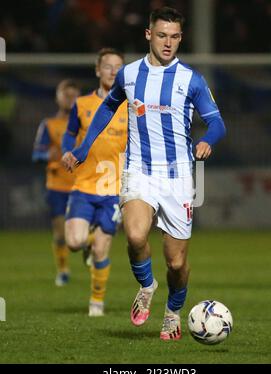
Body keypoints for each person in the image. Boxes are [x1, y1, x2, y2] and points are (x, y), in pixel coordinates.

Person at [62, 7, 226, 339]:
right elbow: (109, 105)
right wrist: (84, 148)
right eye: (162, 35)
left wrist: (208, 139)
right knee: (136, 236)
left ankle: (173, 312)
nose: (168, 43)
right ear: (149, 34)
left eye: (175, 36)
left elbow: (217, 122)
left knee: (177, 264)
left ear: (181, 38)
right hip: (139, 171)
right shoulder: (130, 74)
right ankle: (147, 286)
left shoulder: (191, 79)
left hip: (179, 177)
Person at [61, 48, 128, 317]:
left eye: (118, 66)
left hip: (114, 190)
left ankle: (96, 302)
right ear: (98, 70)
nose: (113, 71)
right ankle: (86, 244)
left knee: (102, 249)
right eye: (108, 66)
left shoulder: (131, 105)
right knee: (74, 242)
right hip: (84, 185)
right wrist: (68, 151)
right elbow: (70, 134)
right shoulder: (82, 104)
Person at [32, 79, 80, 286]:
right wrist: (47, 155)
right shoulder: (49, 124)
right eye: (65, 95)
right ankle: (63, 270)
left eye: (73, 95)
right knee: (60, 233)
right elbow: (36, 153)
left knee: (86, 232)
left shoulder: (85, 123)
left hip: (82, 185)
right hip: (57, 186)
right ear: (57, 97)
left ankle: (90, 251)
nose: (70, 99)